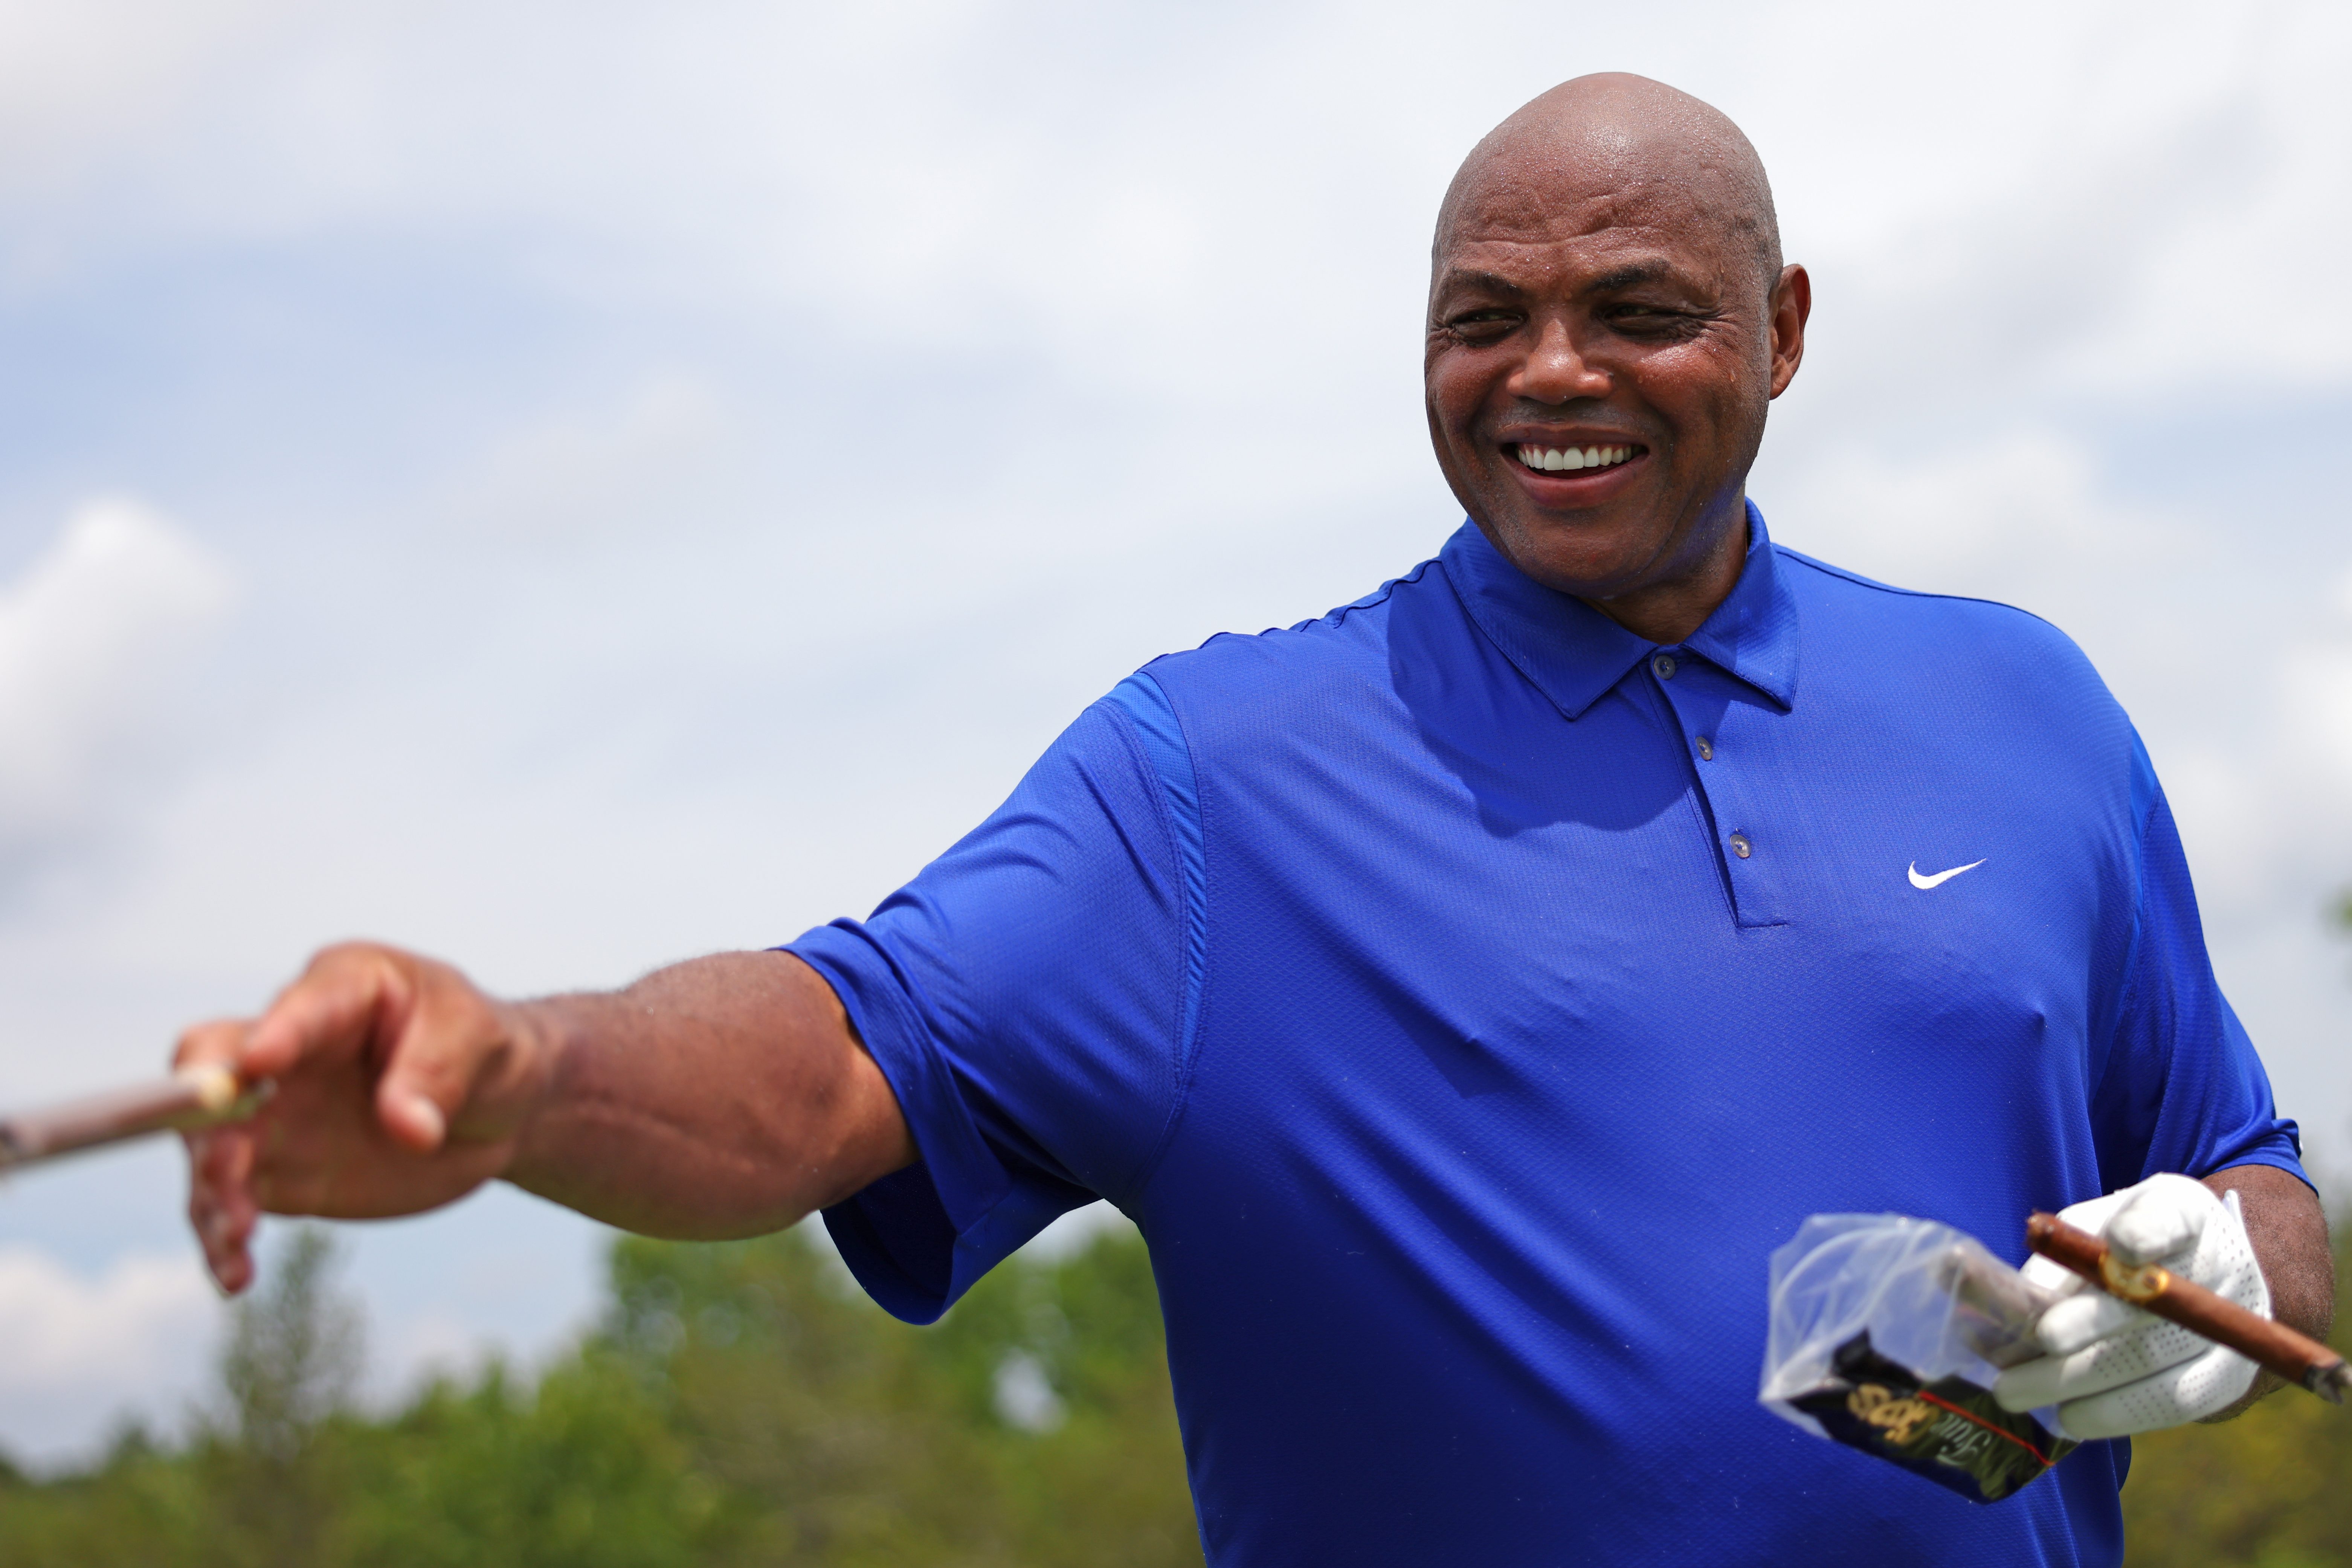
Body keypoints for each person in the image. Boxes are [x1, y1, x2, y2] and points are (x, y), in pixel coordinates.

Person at [177, 73, 2330, 1565]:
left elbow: (2255, 1180)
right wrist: (519, 1078)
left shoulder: (2024, 708)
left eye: (1638, 312)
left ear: (1779, 334)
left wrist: (2221, 1283)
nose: (1549, 371)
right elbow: (837, 1054)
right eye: (1482, 320)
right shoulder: (1213, 779)